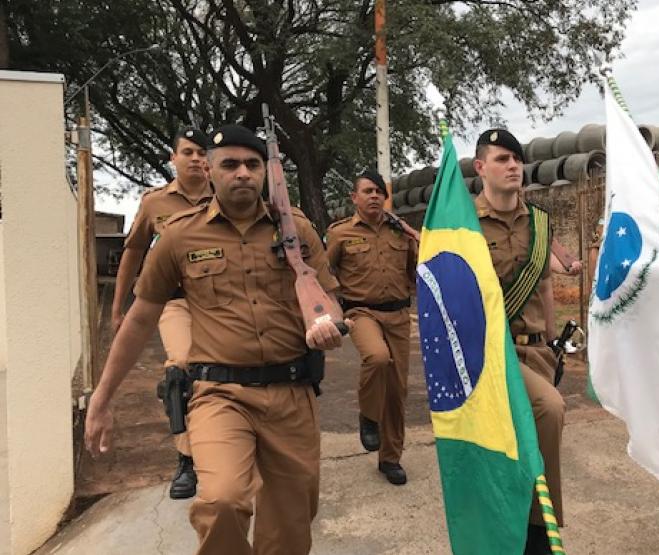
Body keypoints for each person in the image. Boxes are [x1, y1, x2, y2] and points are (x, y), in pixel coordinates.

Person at [84, 124, 347, 554]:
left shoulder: (296, 228)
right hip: (219, 394)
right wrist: (103, 397)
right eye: (230, 164)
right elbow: (141, 318)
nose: (242, 173)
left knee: (291, 523)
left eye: (252, 164)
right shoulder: (180, 235)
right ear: (210, 169)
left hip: (292, 393)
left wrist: (330, 326)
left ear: (264, 170)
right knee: (222, 500)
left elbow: (330, 300)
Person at [473, 129, 565, 555]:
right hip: (489, 353)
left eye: (517, 159)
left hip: (534, 350)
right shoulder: (462, 224)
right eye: (502, 159)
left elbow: (544, 285)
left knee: (523, 441)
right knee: (549, 409)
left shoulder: (541, 223)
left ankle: (524, 527)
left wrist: (552, 343)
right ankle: (540, 528)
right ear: (480, 168)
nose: (514, 166)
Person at [111, 128, 212, 499]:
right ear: (173, 158)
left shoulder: (225, 198)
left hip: (218, 299)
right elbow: (134, 252)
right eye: (188, 152)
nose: (197, 159)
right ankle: (187, 460)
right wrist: (119, 308)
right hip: (175, 301)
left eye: (203, 153)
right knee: (182, 364)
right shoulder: (155, 203)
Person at [326, 169, 419, 485]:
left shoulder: (401, 234)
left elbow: (415, 272)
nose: (375, 196)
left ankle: (390, 458)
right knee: (377, 358)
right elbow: (325, 273)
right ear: (354, 198)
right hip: (361, 312)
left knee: (397, 391)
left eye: (379, 191)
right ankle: (368, 416)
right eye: (367, 191)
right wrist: (329, 311)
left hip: (398, 315)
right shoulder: (340, 234)